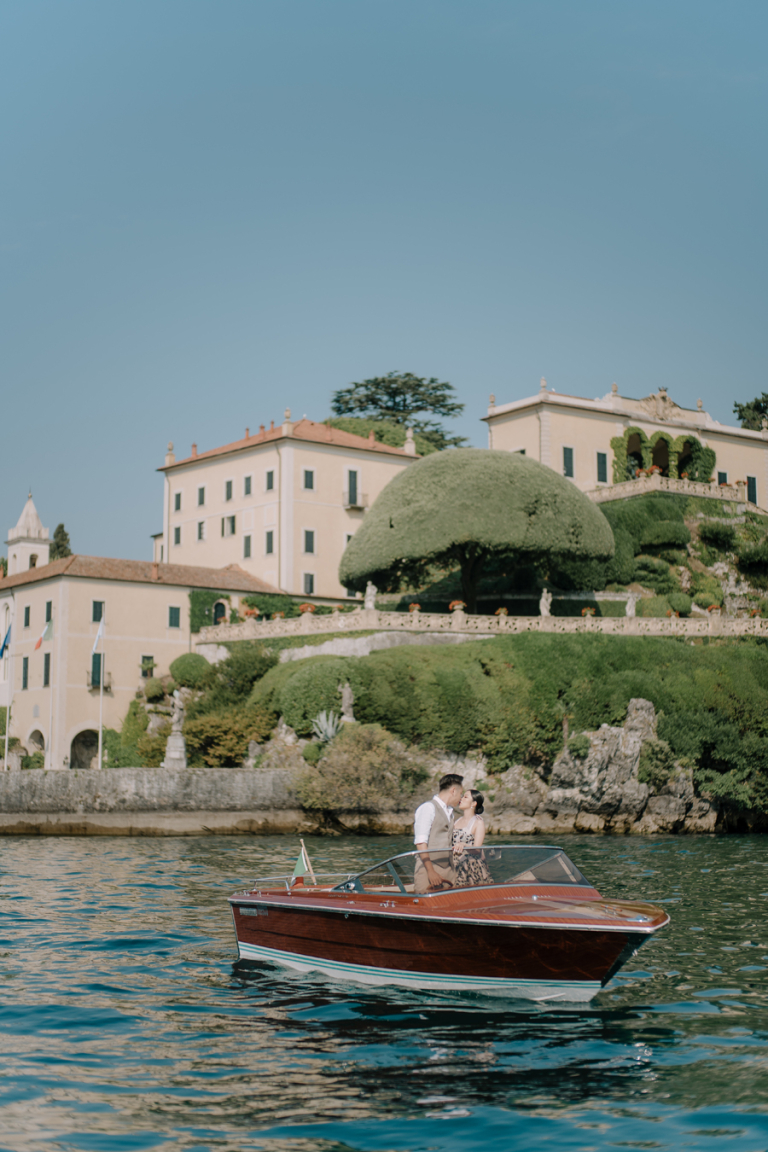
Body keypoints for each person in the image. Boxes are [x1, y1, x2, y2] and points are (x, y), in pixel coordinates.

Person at [413, 774, 464, 893]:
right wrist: (430, 871)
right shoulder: (428, 808)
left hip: (448, 870)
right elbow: (420, 842)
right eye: (460, 793)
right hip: (429, 869)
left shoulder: (450, 812)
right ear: (453, 791)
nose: (460, 798)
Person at [451, 789, 492, 887]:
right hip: (453, 864)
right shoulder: (456, 821)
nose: (461, 799)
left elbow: (477, 849)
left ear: (474, 803)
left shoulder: (478, 823)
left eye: (465, 797)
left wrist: (464, 845)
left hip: (469, 866)